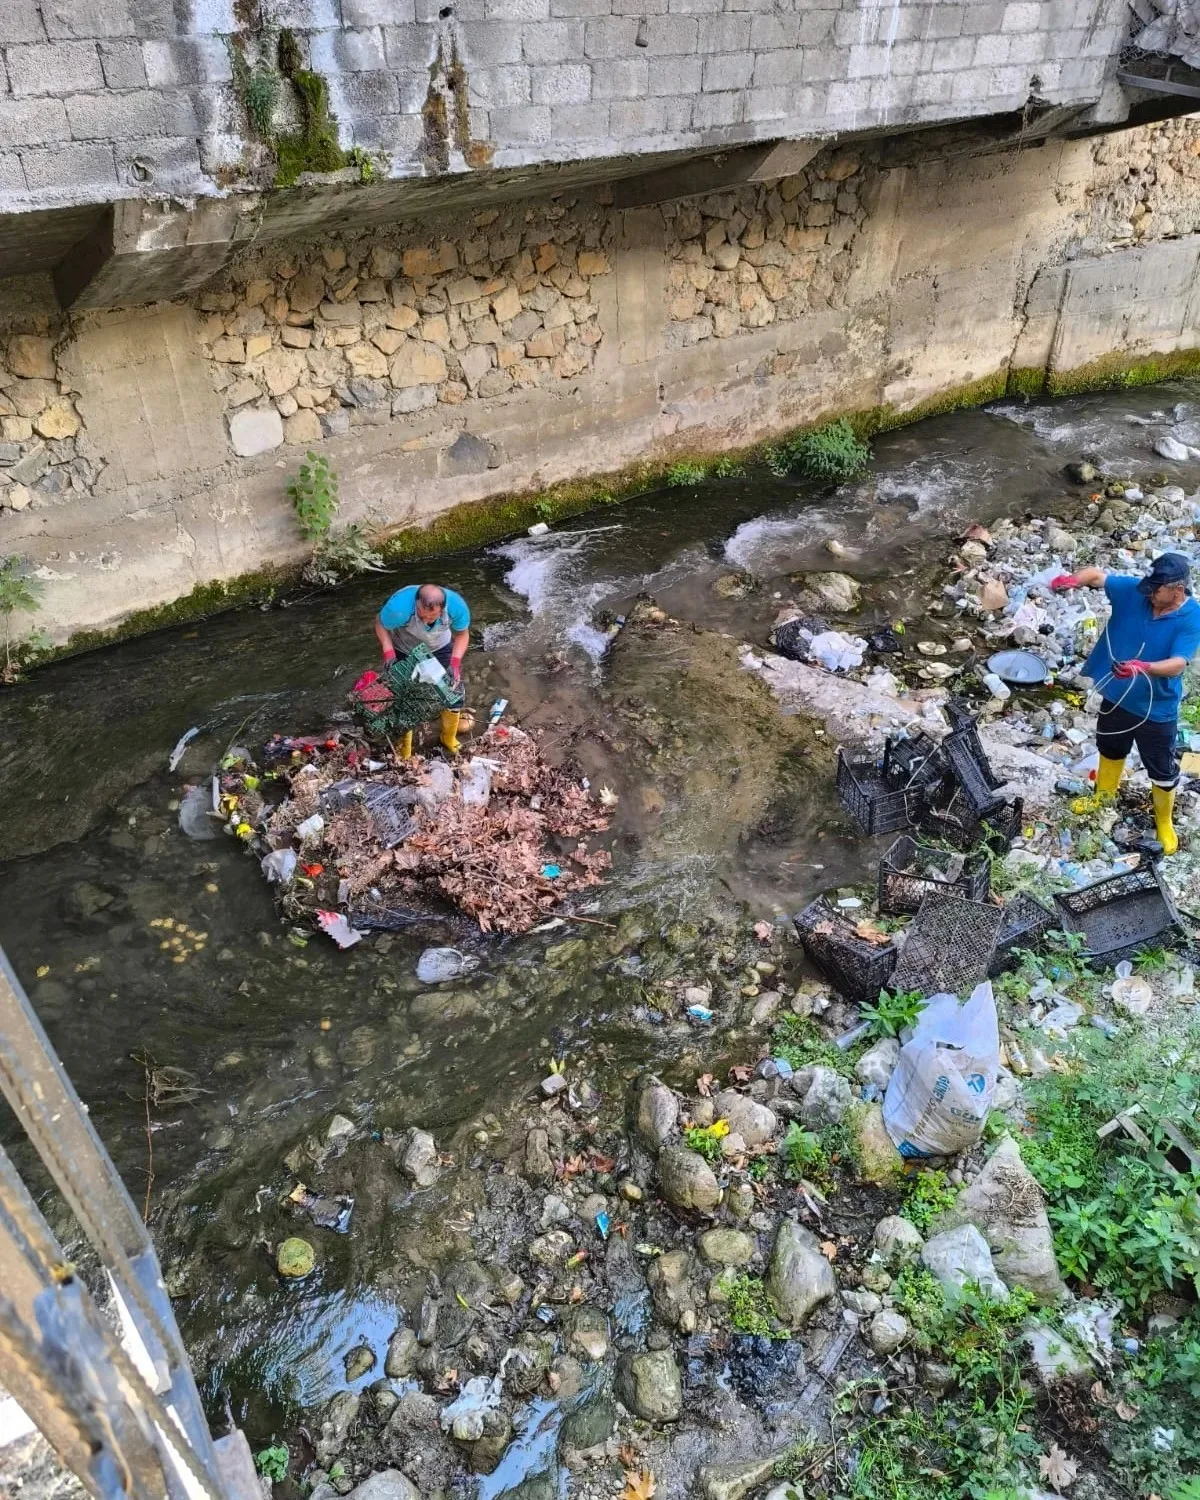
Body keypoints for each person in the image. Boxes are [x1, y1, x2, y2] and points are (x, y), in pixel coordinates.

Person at [1051, 552, 1200, 853]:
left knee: (1160, 767)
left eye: (1156, 589)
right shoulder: (1137, 592)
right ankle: (1103, 798)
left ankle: (1164, 822)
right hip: (1118, 696)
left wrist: (1144, 668)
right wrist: (1072, 581)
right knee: (1110, 747)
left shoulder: (1192, 617)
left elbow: (1178, 664)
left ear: (1177, 590)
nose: (1148, 593)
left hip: (1156, 708)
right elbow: (1095, 575)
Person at [374, 582, 470, 756]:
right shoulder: (399, 608)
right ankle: (405, 749)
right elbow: (380, 624)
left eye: (431, 617)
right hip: (404, 649)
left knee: (452, 693)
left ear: (443, 609)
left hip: (439, 648)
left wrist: (455, 664)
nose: (425, 620)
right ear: (415, 603)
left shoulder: (457, 607)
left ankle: (447, 738)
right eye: (421, 615)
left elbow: (463, 635)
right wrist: (388, 652)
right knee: (404, 699)